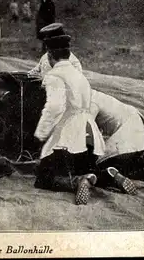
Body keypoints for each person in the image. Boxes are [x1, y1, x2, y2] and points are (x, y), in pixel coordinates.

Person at [32, 30, 110, 205]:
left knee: (43, 177)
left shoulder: (54, 76)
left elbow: (54, 107)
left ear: (50, 55)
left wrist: (41, 134)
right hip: (89, 133)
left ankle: (77, 182)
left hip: (69, 135)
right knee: (83, 166)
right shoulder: (79, 74)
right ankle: (109, 175)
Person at [90, 90, 144, 184]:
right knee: (119, 160)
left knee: (99, 168)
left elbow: (89, 131)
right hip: (139, 128)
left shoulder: (88, 102)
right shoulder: (96, 95)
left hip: (128, 132)